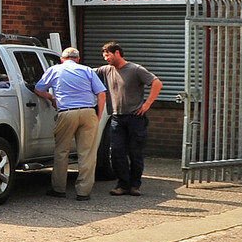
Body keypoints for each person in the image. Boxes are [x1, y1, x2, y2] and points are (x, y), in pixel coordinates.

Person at [31, 47, 108, 200]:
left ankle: (59, 189)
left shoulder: (54, 70)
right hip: (88, 112)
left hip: (66, 112)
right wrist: (98, 115)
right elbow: (102, 94)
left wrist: (51, 98)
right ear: (78, 59)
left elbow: (38, 89)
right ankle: (83, 192)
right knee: (87, 153)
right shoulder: (87, 70)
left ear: (62, 59)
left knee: (61, 152)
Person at [99, 41, 162, 197]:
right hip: (116, 117)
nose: (105, 58)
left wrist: (147, 104)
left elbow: (157, 83)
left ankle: (135, 185)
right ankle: (122, 184)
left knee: (135, 152)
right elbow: (87, 73)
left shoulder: (135, 69)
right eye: (104, 55)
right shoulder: (106, 70)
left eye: (108, 54)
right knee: (116, 151)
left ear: (117, 53)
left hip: (135, 117)